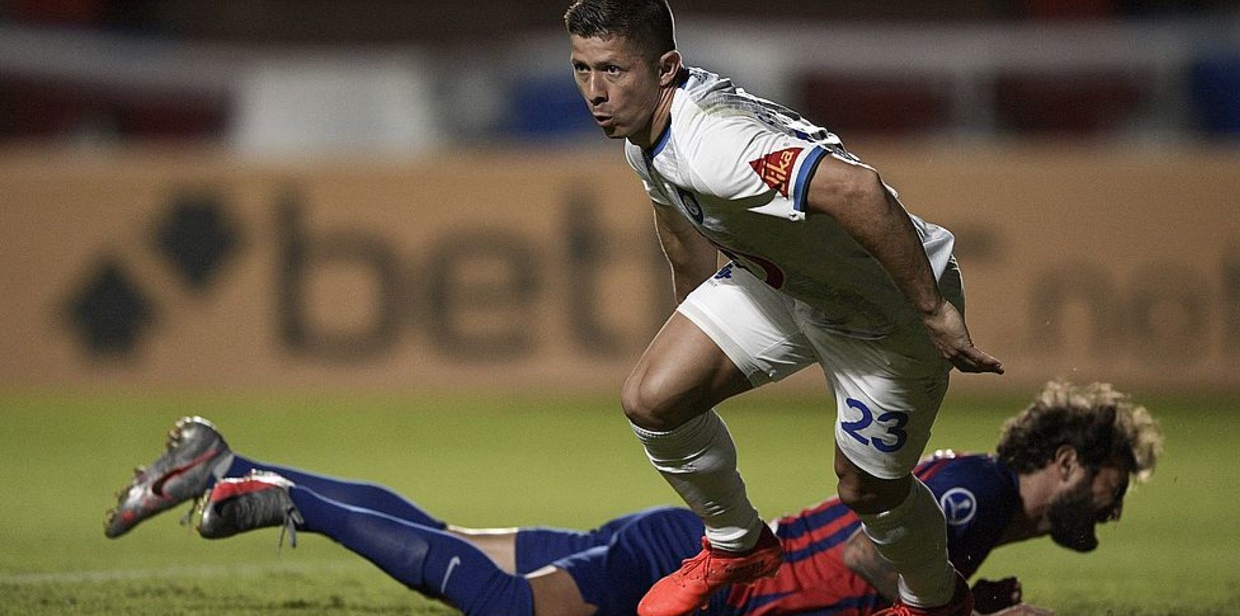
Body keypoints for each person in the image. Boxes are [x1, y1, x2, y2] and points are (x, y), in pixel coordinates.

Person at [563, 0, 1003, 616]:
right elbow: (678, 225)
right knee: (653, 398)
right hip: (784, 282)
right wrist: (690, 321)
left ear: (665, 68)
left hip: (884, 307)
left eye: (612, 70)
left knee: (868, 490)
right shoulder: (645, 133)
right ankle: (738, 543)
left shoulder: (714, 143)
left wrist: (934, 311)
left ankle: (935, 602)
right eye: (581, 69)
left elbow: (861, 191)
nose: (595, 93)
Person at [103, 381, 1162, 616]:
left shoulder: (970, 488)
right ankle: (267, 491)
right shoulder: (976, 497)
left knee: (445, 540)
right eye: (1110, 484)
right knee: (504, 607)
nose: (1109, 508)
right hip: (707, 581)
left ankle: (239, 457)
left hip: (703, 557)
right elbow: (877, 570)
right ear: (1067, 457)